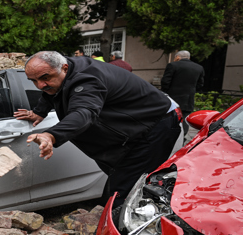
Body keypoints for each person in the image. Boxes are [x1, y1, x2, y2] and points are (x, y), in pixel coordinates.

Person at [14, 51, 181, 206]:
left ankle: (130, 229)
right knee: (123, 179)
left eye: (44, 78)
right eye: (33, 81)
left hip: (154, 125)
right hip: (131, 129)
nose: (40, 85)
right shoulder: (63, 72)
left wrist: (51, 135)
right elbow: (52, 91)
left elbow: (83, 112)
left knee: (126, 191)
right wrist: (39, 112)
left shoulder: (87, 80)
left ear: (64, 67)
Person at [161, 50, 204, 136]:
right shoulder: (199, 67)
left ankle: (169, 137)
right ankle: (182, 137)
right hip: (188, 99)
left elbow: (165, 82)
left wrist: (164, 93)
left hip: (173, 98)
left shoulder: (172, 65)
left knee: (170, 118)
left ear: (177, 57)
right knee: (184, 119)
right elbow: (200, 85)